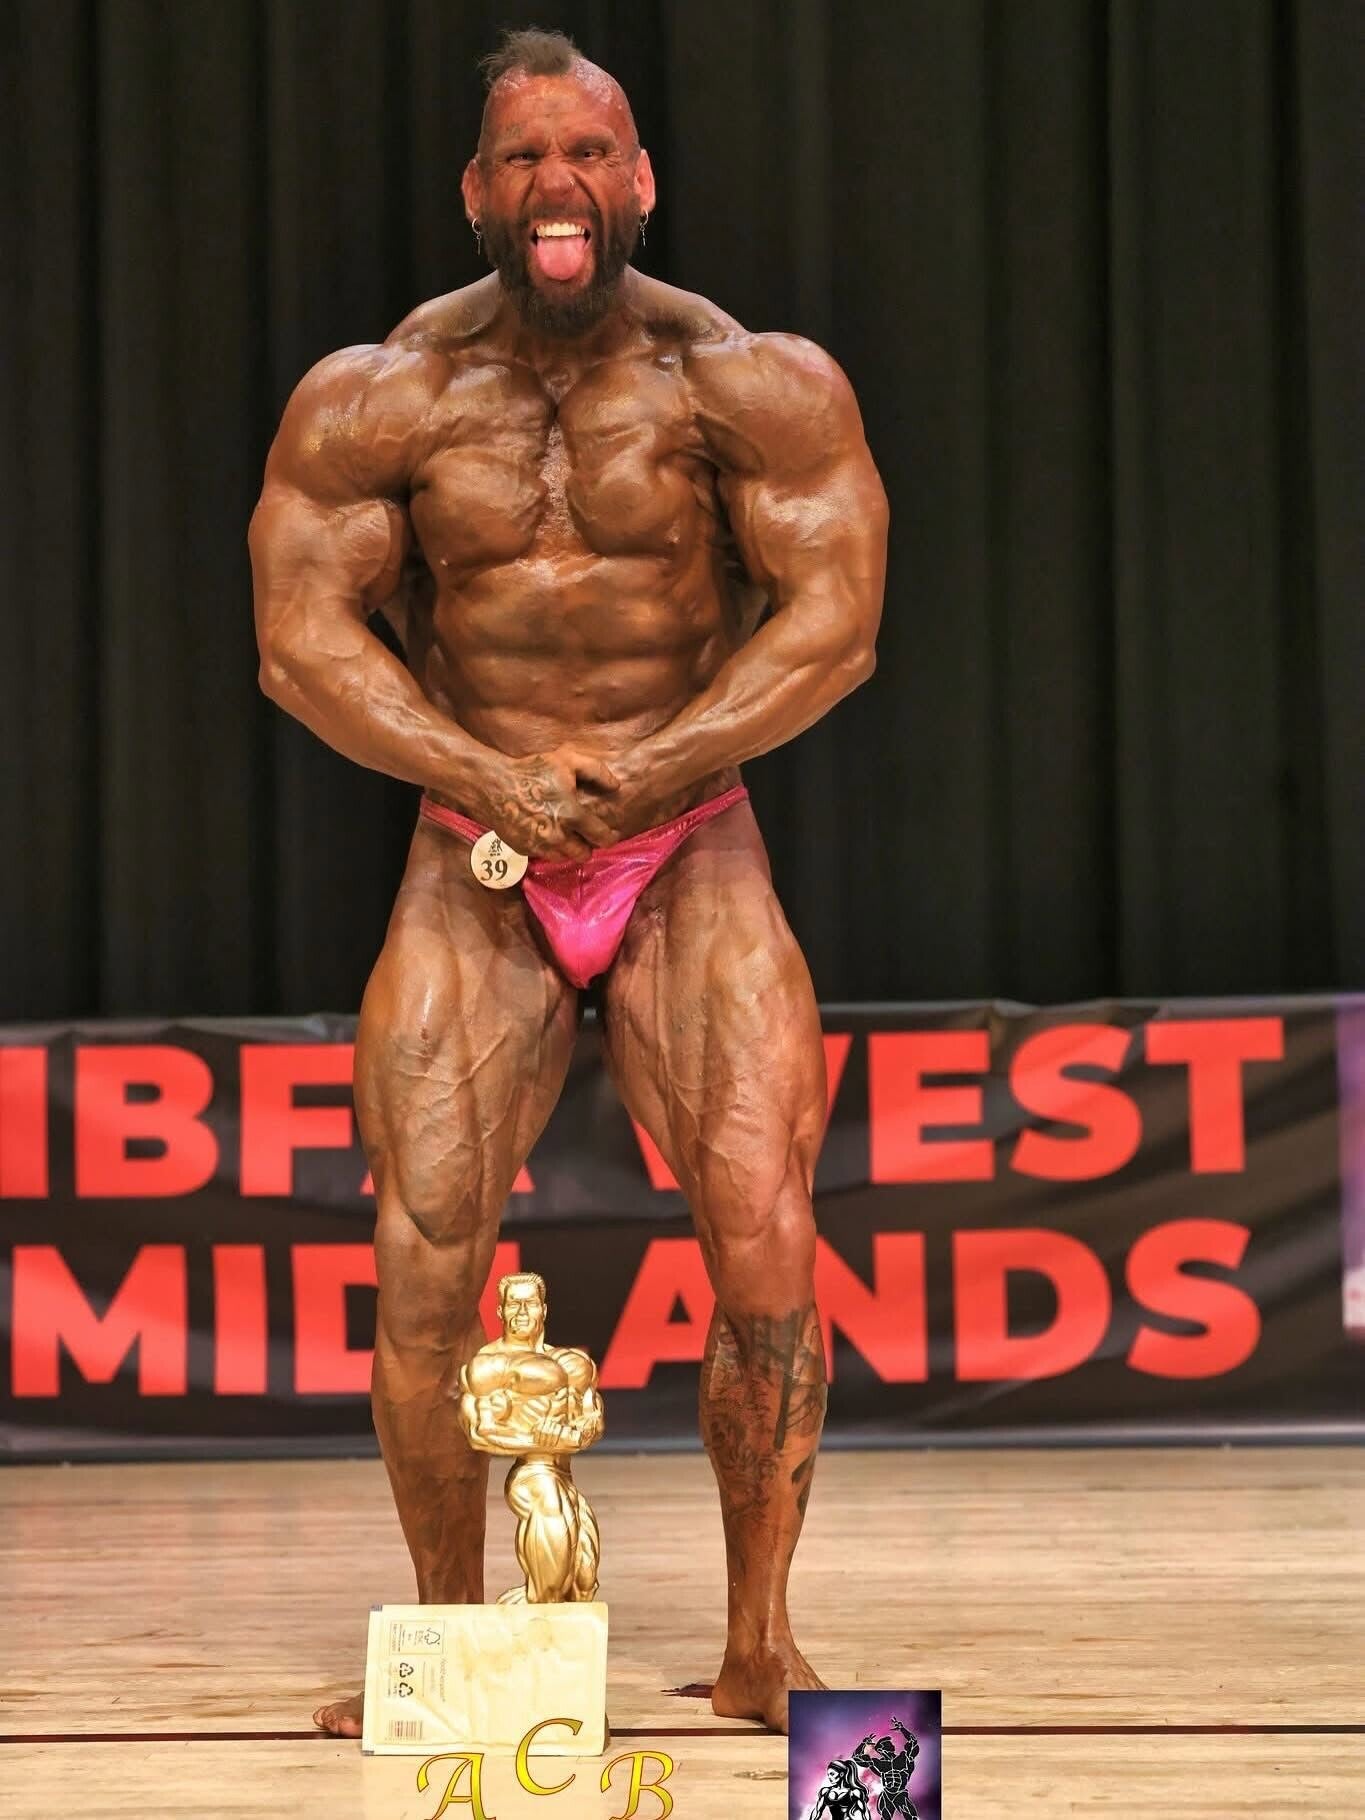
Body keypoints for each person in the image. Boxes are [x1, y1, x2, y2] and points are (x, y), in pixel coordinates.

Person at [248, 25, 887, 1736]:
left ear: (638, 179)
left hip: (690, 835)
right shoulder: (378, 396)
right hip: (474, 847)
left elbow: (835, 628)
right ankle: (452, 1645)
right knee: (423, 1258)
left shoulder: (748, 382)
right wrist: (477, 774)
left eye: (588, 152)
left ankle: (760, 1650)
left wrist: (663, 764)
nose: (558, 184)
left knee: (764, 1237)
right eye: (525, 157)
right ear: (476, 189)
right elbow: (300, 644)